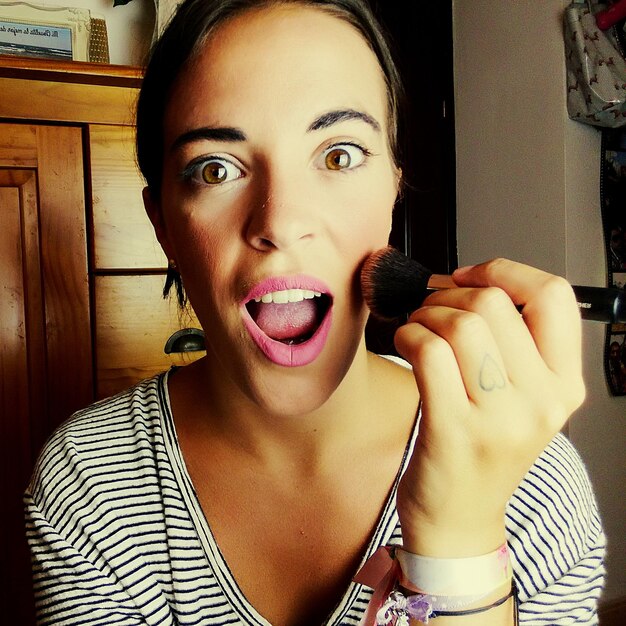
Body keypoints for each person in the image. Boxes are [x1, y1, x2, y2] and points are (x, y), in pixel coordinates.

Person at [25, 1, 605, 625]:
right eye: (215, 169)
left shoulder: (527, 469)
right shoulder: (88, 485)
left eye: (339, 156)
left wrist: (457, 540)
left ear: (393, 189)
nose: (280, 222)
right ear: (163, 223)